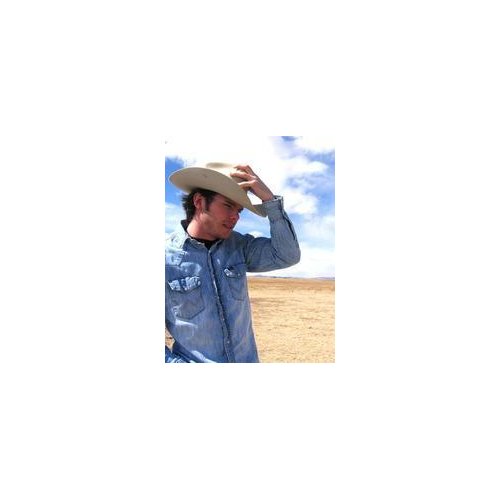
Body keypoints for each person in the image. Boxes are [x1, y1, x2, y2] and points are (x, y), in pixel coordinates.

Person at [165, 162, 300, 363]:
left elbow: (287, 255)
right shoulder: (164, 258)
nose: (235, 217)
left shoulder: (240, 246)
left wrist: (270, 201)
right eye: (228, 205)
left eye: (239, 210)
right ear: (199, 201)